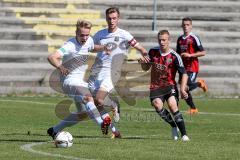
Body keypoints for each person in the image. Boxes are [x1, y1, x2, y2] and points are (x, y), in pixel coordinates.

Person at [47, 19, 118, 139]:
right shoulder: (70, 45)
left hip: (80, 81)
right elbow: (52, 57)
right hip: (69, 80)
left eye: (87, 35)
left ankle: (54, 130)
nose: (84, 38)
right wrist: (60, 67)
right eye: (81, 35)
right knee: (88, 98)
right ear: (76, 33)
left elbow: (91, 47)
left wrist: (103, 48)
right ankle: (102, 124)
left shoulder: (88, 40)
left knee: (82, 113)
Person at [88, 7, 149, 138]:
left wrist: (144, 55)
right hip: (97, 71)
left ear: (118, 19)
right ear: (106, 19)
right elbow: (91, 48)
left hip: (112, 72)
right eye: (109, 18)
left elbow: (140, 48)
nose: (112, 21)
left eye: (114, 18)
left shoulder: (124, 34)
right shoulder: (99, 34)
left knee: (99, 99)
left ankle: (114, 104)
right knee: (96, 103)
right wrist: (101, 48)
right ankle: (115, 131)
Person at [139, 30, 190, 141]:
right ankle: (173, 126)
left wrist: (182, 89)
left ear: (169, 40)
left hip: (170, 86)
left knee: (172, 105)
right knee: (157, 105)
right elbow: (146, 68)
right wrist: (143, 63)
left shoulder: (175, 56)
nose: (162, 42)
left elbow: (184, 73)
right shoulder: (153, 51)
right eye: (160, 40)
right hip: (156, 86)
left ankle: (185, 135)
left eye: (164, 40)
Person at [176, 17, 208, 114]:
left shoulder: (194, 38)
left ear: (191, 26)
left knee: (186, 87)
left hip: (192, 67)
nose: (185, 26)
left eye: (187, 25)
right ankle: (193, 108)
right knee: (183, 90)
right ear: (182, 26)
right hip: (183, 68)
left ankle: (199, 83)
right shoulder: (180, 39)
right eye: (184, 25)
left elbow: (203, 52)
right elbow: (178, 54)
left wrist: (190, 55)